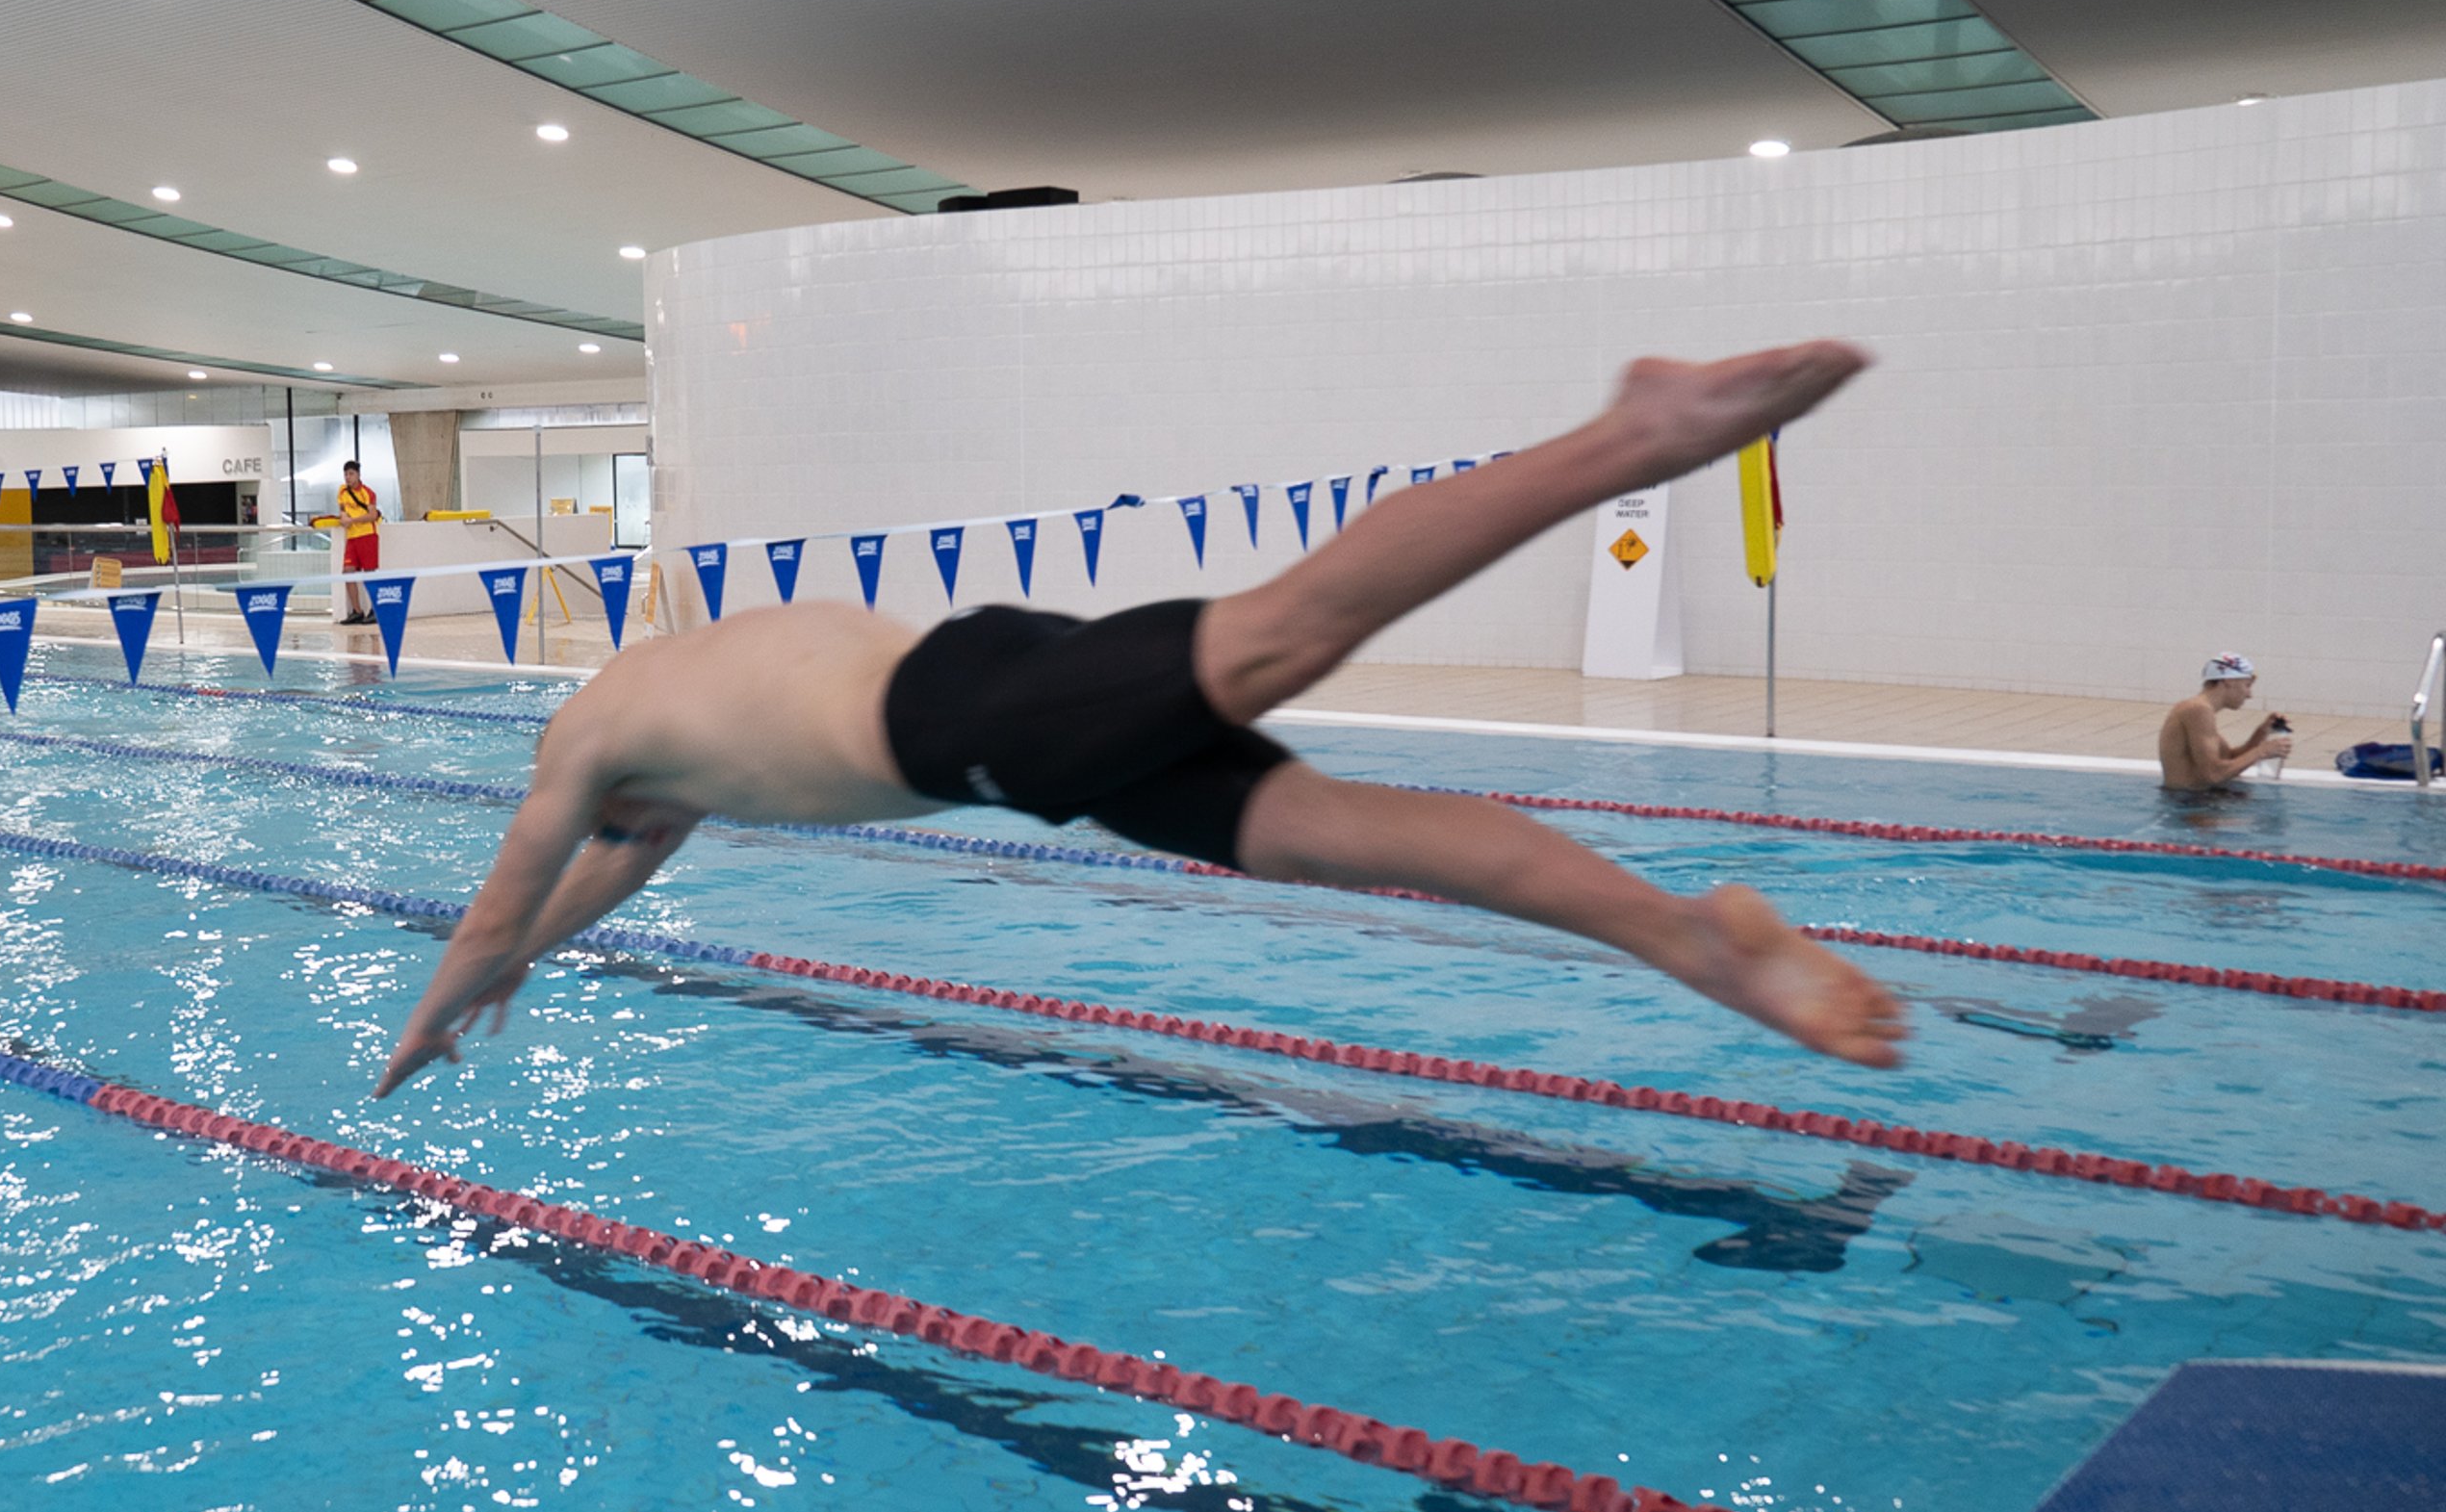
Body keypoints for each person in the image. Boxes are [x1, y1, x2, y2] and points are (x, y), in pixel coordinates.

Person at [377, 342, 1908, 1093]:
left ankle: (1630, 432)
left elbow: (516, 881)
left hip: (968, 716)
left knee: (1293, 625)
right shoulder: (664, 719)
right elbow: (601, 874)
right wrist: (532, 956)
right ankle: (1686, 938)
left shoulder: (581, 745)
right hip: (1002, 716)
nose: (632, 835)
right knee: (1344, 837)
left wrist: (442, 1008)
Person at [2160, 654, 2291, 791]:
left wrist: (2262, 731)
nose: (2249, 695)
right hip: (2188, 805)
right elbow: (2214, 774)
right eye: (2247, 685)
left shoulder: (2200, 710)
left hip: (2192, 801)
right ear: (2229, 681)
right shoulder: (2198, 709)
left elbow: (2229, 763)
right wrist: (2262, 752)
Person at [334, 459, 384, 626]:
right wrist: (344, 518)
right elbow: (342, 511)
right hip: (352, 538)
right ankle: (357, 611)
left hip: (367, 535)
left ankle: (375, 610)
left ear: (358, 475)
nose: (348, 478)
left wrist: (352, 520)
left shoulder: (368, 493)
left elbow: (372, 515)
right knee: (347, 572)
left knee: (369, 573)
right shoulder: (342, 492)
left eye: (351, 474)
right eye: (346, 474)